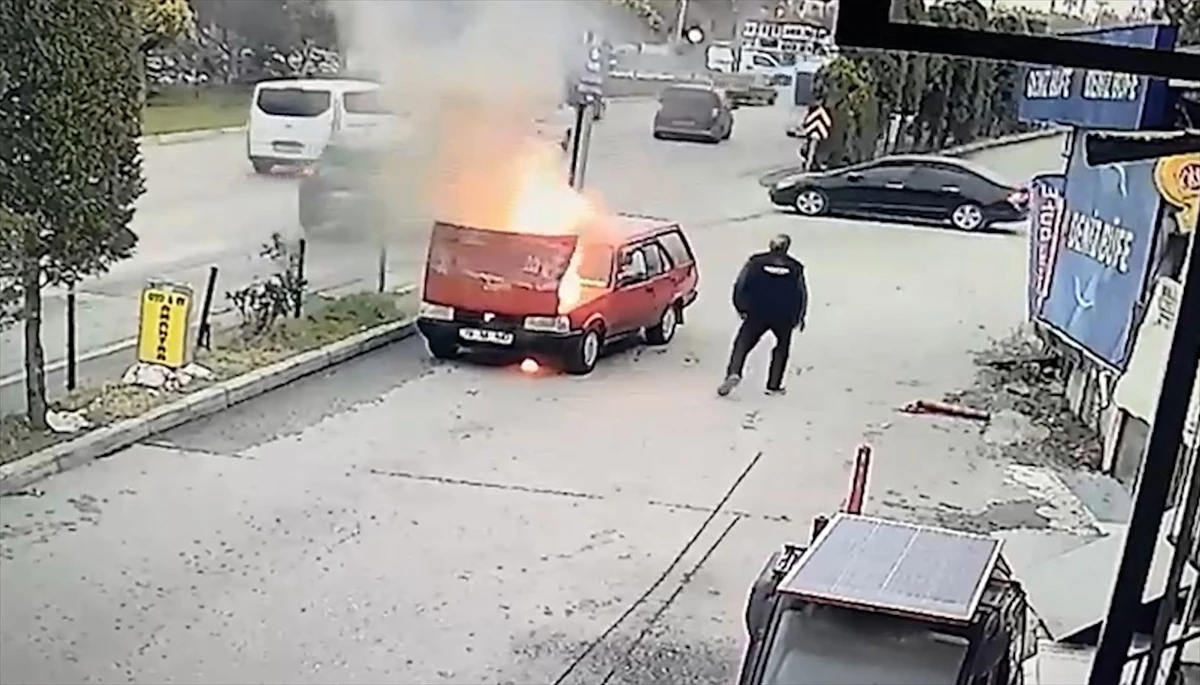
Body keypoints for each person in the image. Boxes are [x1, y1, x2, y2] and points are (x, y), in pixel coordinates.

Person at [717, 234, 808, 397]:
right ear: (787, 248)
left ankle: (734, 372)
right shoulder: (795, 267)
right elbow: (801, 294)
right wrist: (799, 317)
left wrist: (741, 308)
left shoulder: (755, 263)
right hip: (783, 316)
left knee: (742, 344)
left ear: (770, 246)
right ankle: (773, 385)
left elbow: (741, 285)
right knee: (781, 348)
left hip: (757, 313)